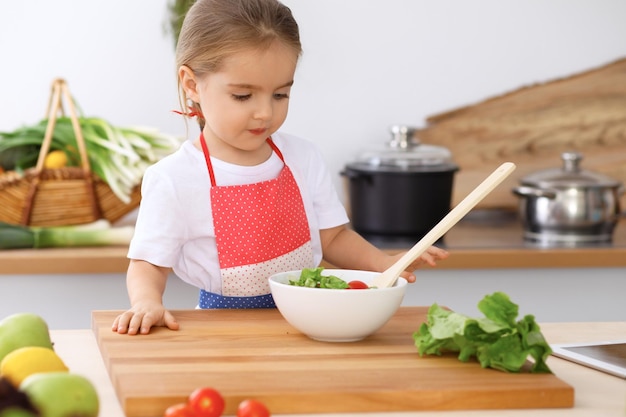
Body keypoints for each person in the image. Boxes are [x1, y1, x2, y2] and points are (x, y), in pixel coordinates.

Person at [112, 0, 449, 335]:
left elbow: (333, 238)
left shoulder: (303, 157)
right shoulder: (173, 179)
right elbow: (148, 263)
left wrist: (385, 264)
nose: (265, 113)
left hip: (309, 323)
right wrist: (146, 302)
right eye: (243, 96)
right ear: (192, 85)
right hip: (221, 331)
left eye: (280, 95)